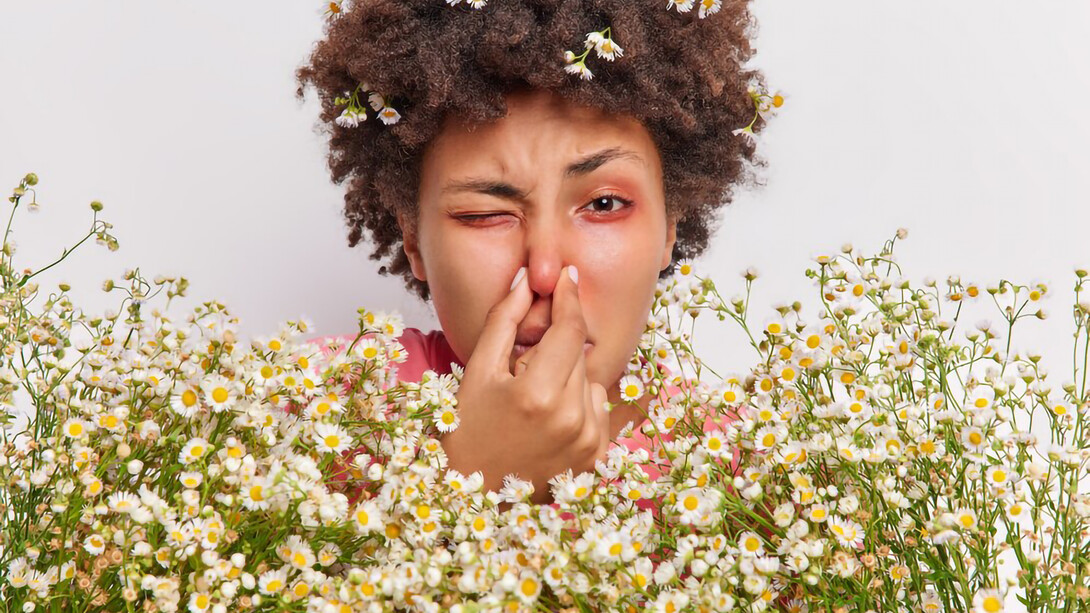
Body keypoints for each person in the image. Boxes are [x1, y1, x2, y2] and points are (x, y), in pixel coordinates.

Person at [296, 0, 767, 505]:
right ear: (413, 238)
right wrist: (479, 479)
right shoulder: (303, 406)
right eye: (483, 215)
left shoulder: (748, 474)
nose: (544, 273)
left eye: (604, 204)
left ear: (670, 227)